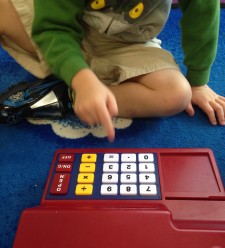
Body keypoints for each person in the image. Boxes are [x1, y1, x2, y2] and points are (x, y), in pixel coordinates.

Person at [0, 0, 225, 142]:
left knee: (176, 94)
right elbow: (53, 28)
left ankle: (65, 94)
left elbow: (203, 14)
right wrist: (82, 78)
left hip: (128, 44)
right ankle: (76, 77)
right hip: (65, 29)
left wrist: (198, 82)